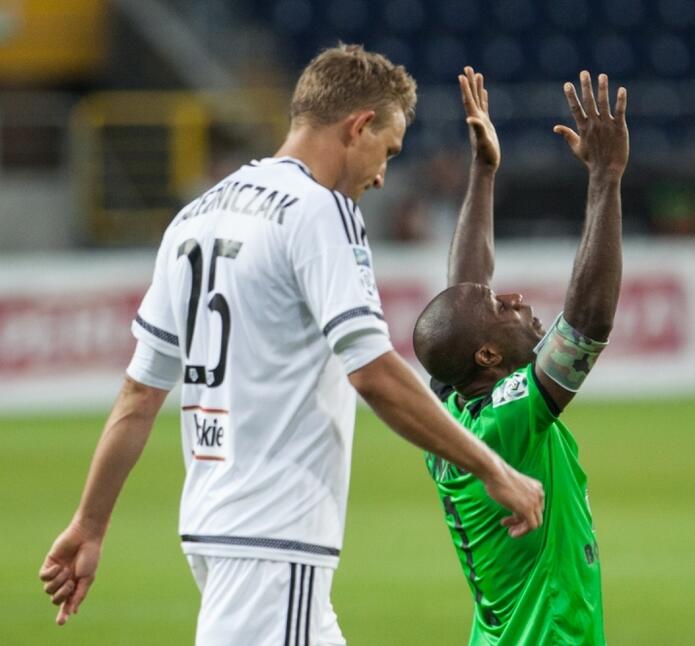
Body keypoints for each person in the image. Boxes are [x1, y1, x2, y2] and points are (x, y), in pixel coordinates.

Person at [38, 44, 544, 646]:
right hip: (274, 535)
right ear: (357, 127)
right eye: (387, 150)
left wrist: (89, 524)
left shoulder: (193, 220)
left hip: (216, 527)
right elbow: (373, 373)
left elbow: (138, 394)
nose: (383, 175)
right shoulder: (319, 211)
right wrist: (492, 468)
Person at [412, 67, 628, 645]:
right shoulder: (507, 420)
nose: (513, 298)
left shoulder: (451, 412)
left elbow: (464, 288)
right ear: (486, 355)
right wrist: (605, 179)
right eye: (500, 307)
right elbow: (587, 325)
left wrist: (483, 172)